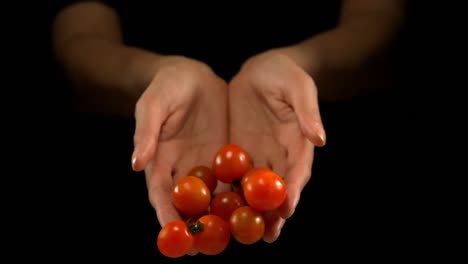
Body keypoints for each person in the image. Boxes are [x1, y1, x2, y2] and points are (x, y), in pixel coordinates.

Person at [51, 0, 406, 257]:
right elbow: (77, 40)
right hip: (148, 152)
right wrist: (154, 73)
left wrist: (304, 63)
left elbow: (381, 18)